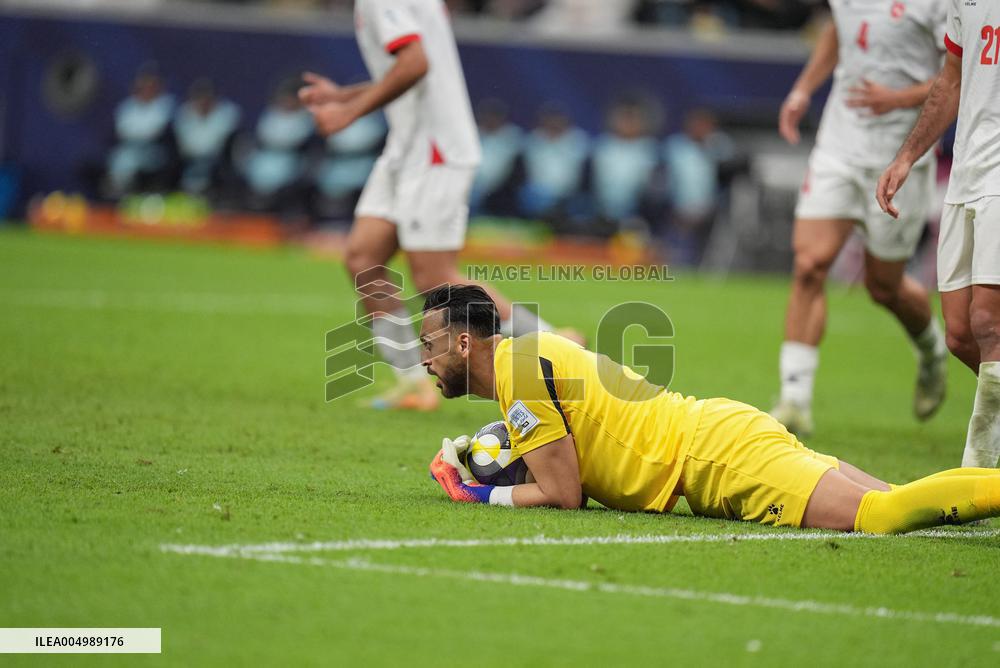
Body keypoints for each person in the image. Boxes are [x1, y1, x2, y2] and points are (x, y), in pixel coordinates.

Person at [421, 285, 1000, 534]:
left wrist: (475, 491)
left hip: (718, 459)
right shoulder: (524, 361)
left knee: (882, 514)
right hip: (718, 437)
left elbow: (563, 493)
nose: (423, 359)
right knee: (900, 497)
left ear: (464, 342)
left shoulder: (518, 371)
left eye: (428, 344)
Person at [301, 0, 580, 411]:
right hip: (407, 145)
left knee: (435, 277)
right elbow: (407, 74)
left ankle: (557, 347)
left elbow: (415, 65)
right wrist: (344, 96)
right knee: (364, 259)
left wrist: (351, 112)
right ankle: (414, 383)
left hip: (435, 150)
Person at [771, 2, 950, 437]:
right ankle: (794, 400)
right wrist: (803, 89)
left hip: (902, 153)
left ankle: (933, 352)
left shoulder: (941, 4)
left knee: (883, 286)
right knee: (809, 265)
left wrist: (899, 98)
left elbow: (959, 77)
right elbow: (840, 28)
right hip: (838, 147)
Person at [876, 0, 1000, 469]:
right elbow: (951, 77)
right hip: (967, 171)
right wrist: (906, 155)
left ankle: (978, 477)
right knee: (961, 335)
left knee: (990, 324)